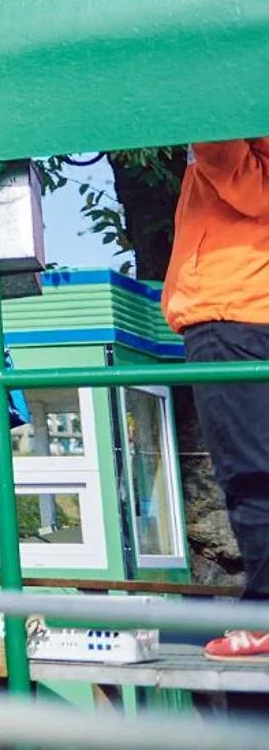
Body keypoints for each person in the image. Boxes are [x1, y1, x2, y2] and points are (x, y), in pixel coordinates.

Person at [159, 137, 269, 661]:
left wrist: (205, 120)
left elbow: (246, 185)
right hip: (246, 303)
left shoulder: (232, 116)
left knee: (248, 472)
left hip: (232, 309)